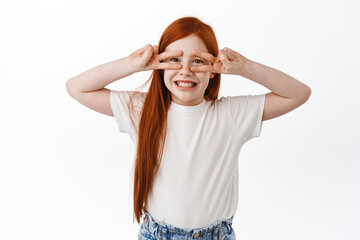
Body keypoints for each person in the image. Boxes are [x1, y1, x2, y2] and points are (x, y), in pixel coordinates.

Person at [66, 16, 311, 240]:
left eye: (197, 61)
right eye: (174, 60)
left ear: (214, 71)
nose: (185, 70)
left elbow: (298, 94)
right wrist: (131, 65)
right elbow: (77, 87)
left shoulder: (231, 114)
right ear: (159, 63)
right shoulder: (140, 110)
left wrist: (245, 68)